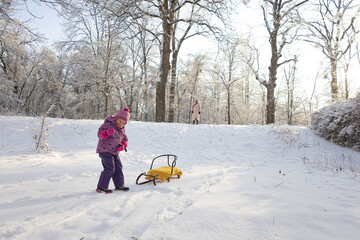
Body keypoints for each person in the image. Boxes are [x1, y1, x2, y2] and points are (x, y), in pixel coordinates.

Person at [95, 107, 130, 194]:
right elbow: (99, 134)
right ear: (116, 118)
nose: (121, 123)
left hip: (114, 151)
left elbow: (124, 138)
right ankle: (101, 187)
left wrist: (124, 145)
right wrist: (106, 133)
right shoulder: (108, 124)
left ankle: (119, 185)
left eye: (123, 122)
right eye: (120, 121)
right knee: (110, 168)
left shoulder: (122, 129)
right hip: (105, 150)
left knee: (118, 167)